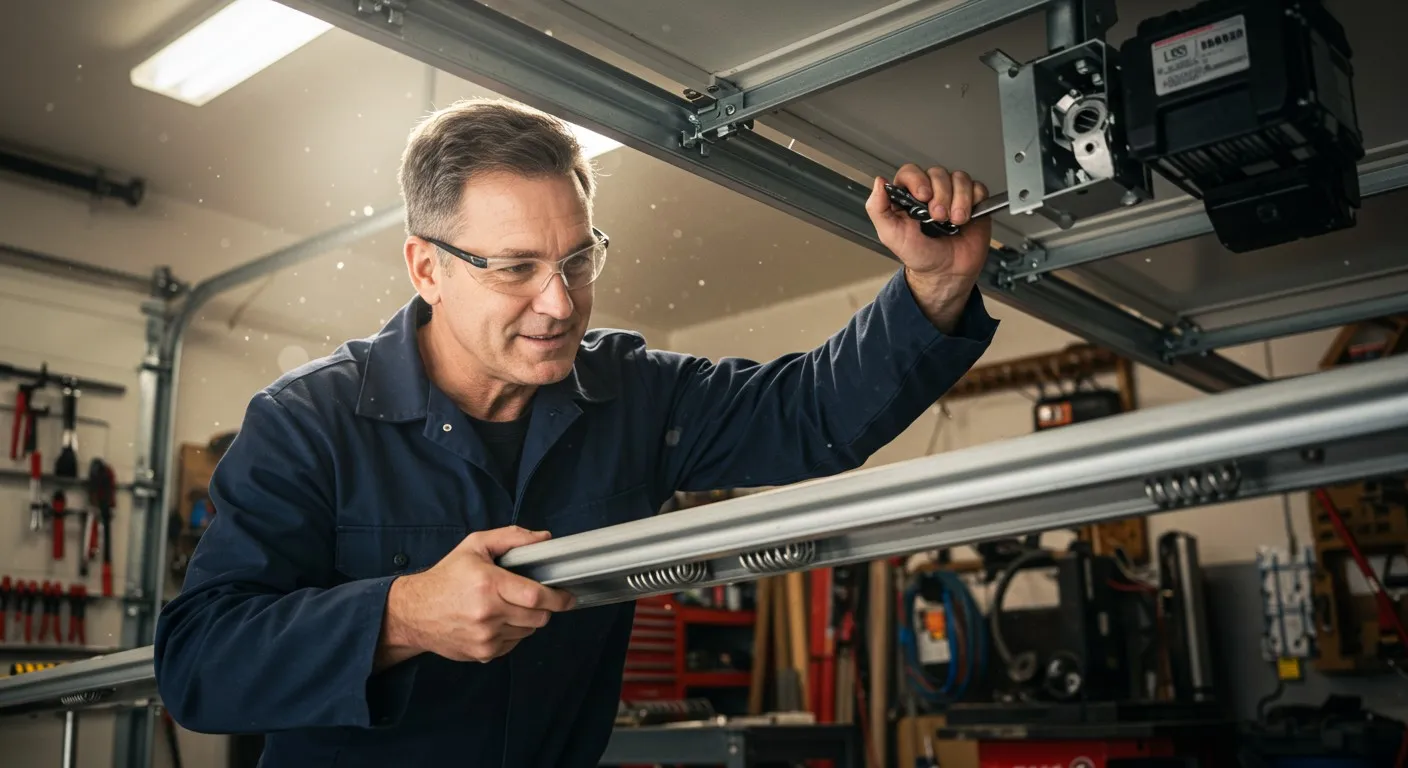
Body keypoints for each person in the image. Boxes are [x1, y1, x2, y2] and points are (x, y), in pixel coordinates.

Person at [153, 98, 998, 767]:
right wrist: (402, 616)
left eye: (577, 261)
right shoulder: (308, 423)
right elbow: (199, 667)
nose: (559, 304)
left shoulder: (633, 396)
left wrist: (930, 290)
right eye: (516, 268)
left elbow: (810, 415)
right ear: (426, 268)